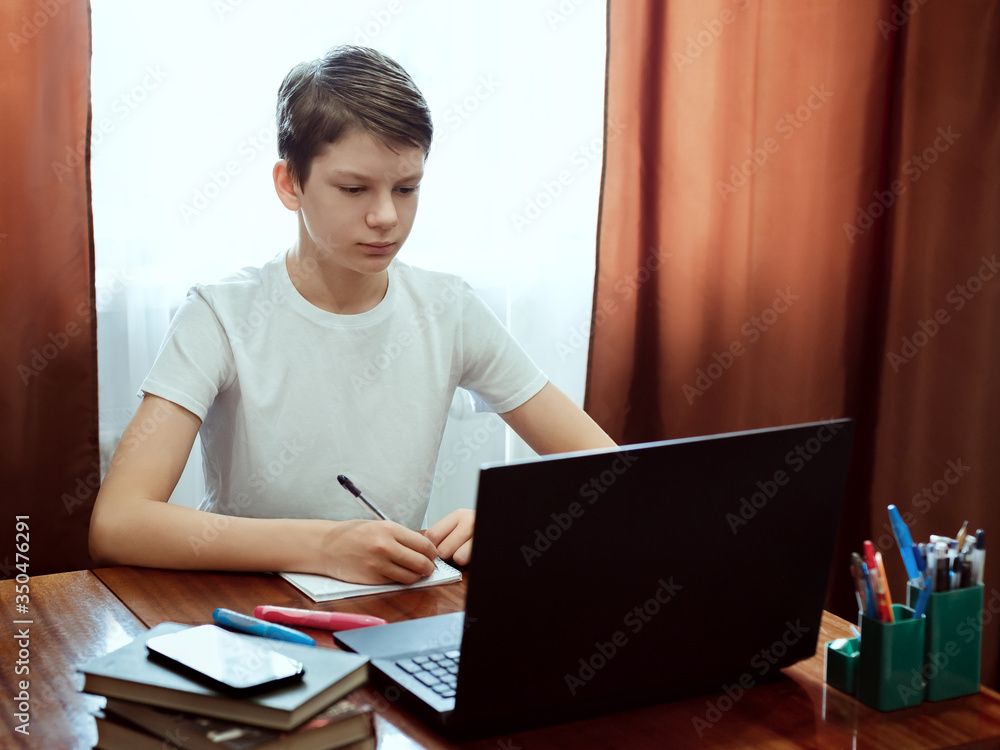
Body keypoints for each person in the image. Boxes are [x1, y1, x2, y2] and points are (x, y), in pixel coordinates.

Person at [89, 46, 615, 584]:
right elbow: (118, 522)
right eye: (353, 188)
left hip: (388, 610)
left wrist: (514, 524)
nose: (386, 216)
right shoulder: (220, 314)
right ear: (289, 184)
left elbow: (615, 474)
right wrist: (326, 545)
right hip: (245, 616)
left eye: (407, 188)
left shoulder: (448, 310)